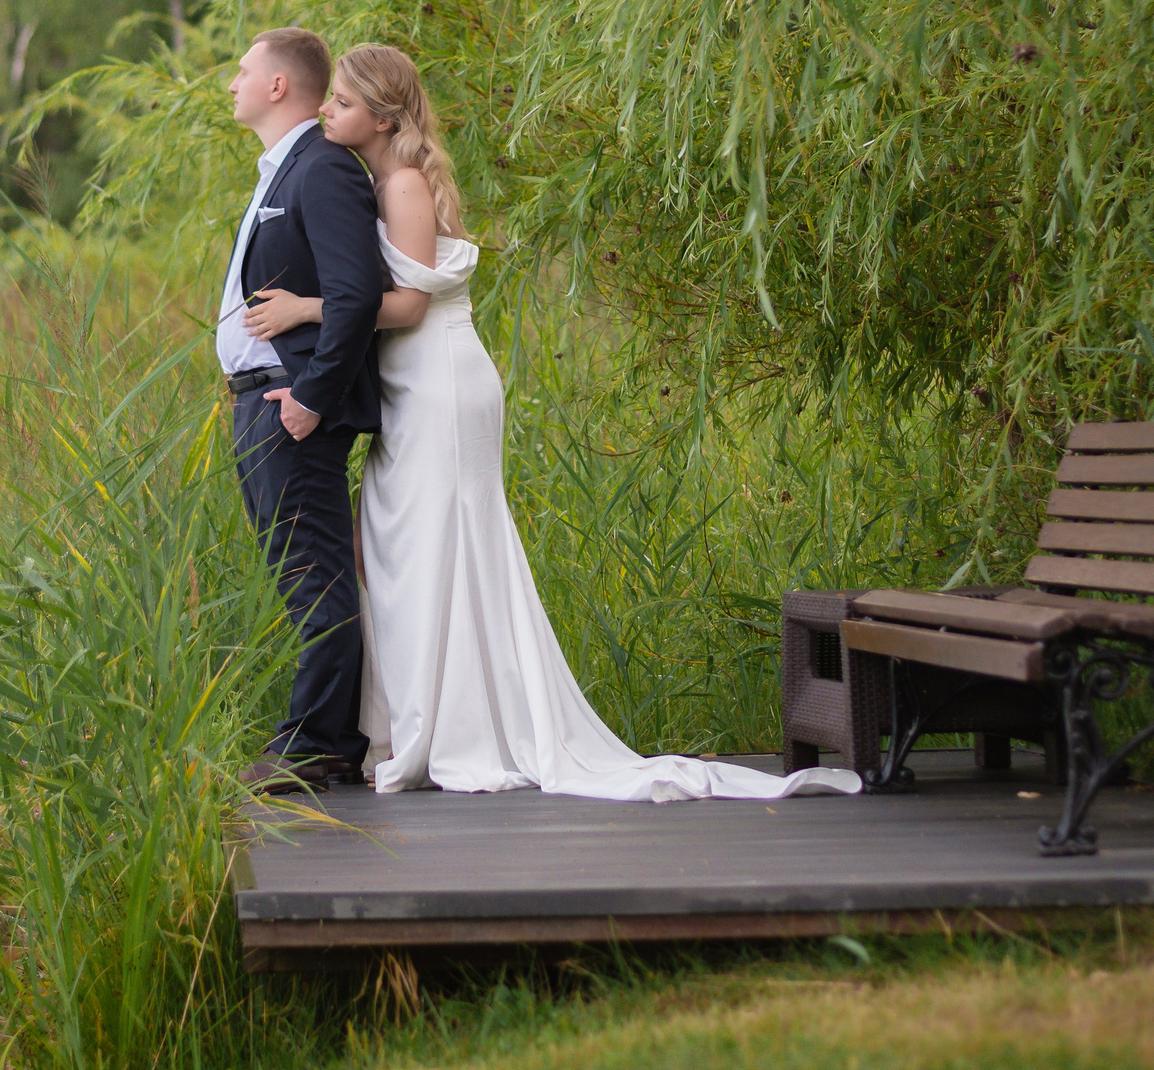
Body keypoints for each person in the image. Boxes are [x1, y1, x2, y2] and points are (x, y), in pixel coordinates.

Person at [244, 44, 859, 801]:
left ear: (380, 115)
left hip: (437, 375)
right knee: (412, 544)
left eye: (339, 102)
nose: (326, 112)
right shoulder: (374, 178)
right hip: (410, 379)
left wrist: (309, 306)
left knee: (448, 541)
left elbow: (406, 303)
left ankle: (463, 726)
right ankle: (423, 718)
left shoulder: (402, 182)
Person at [220, 27, 387, 794]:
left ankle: (321, 745)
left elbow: (355, 295)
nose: (234, 82)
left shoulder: (322, 170)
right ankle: (318, 735)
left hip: (292, 407)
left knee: (315, 576)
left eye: (244, 70)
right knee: (298, 577)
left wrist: (312, 400)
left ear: (280, 85)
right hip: (259, 406)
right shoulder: (277, 172)